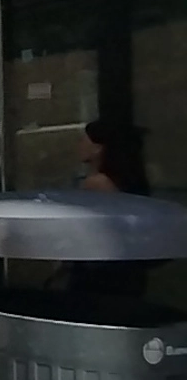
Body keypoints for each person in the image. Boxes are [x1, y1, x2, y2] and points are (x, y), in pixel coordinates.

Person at [61, 119, 152, 297]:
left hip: (99, 267)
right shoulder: (124, 180)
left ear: (98, 148)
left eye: (83, 139)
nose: (79, 144)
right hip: (124, 266)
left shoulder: (97, 184)